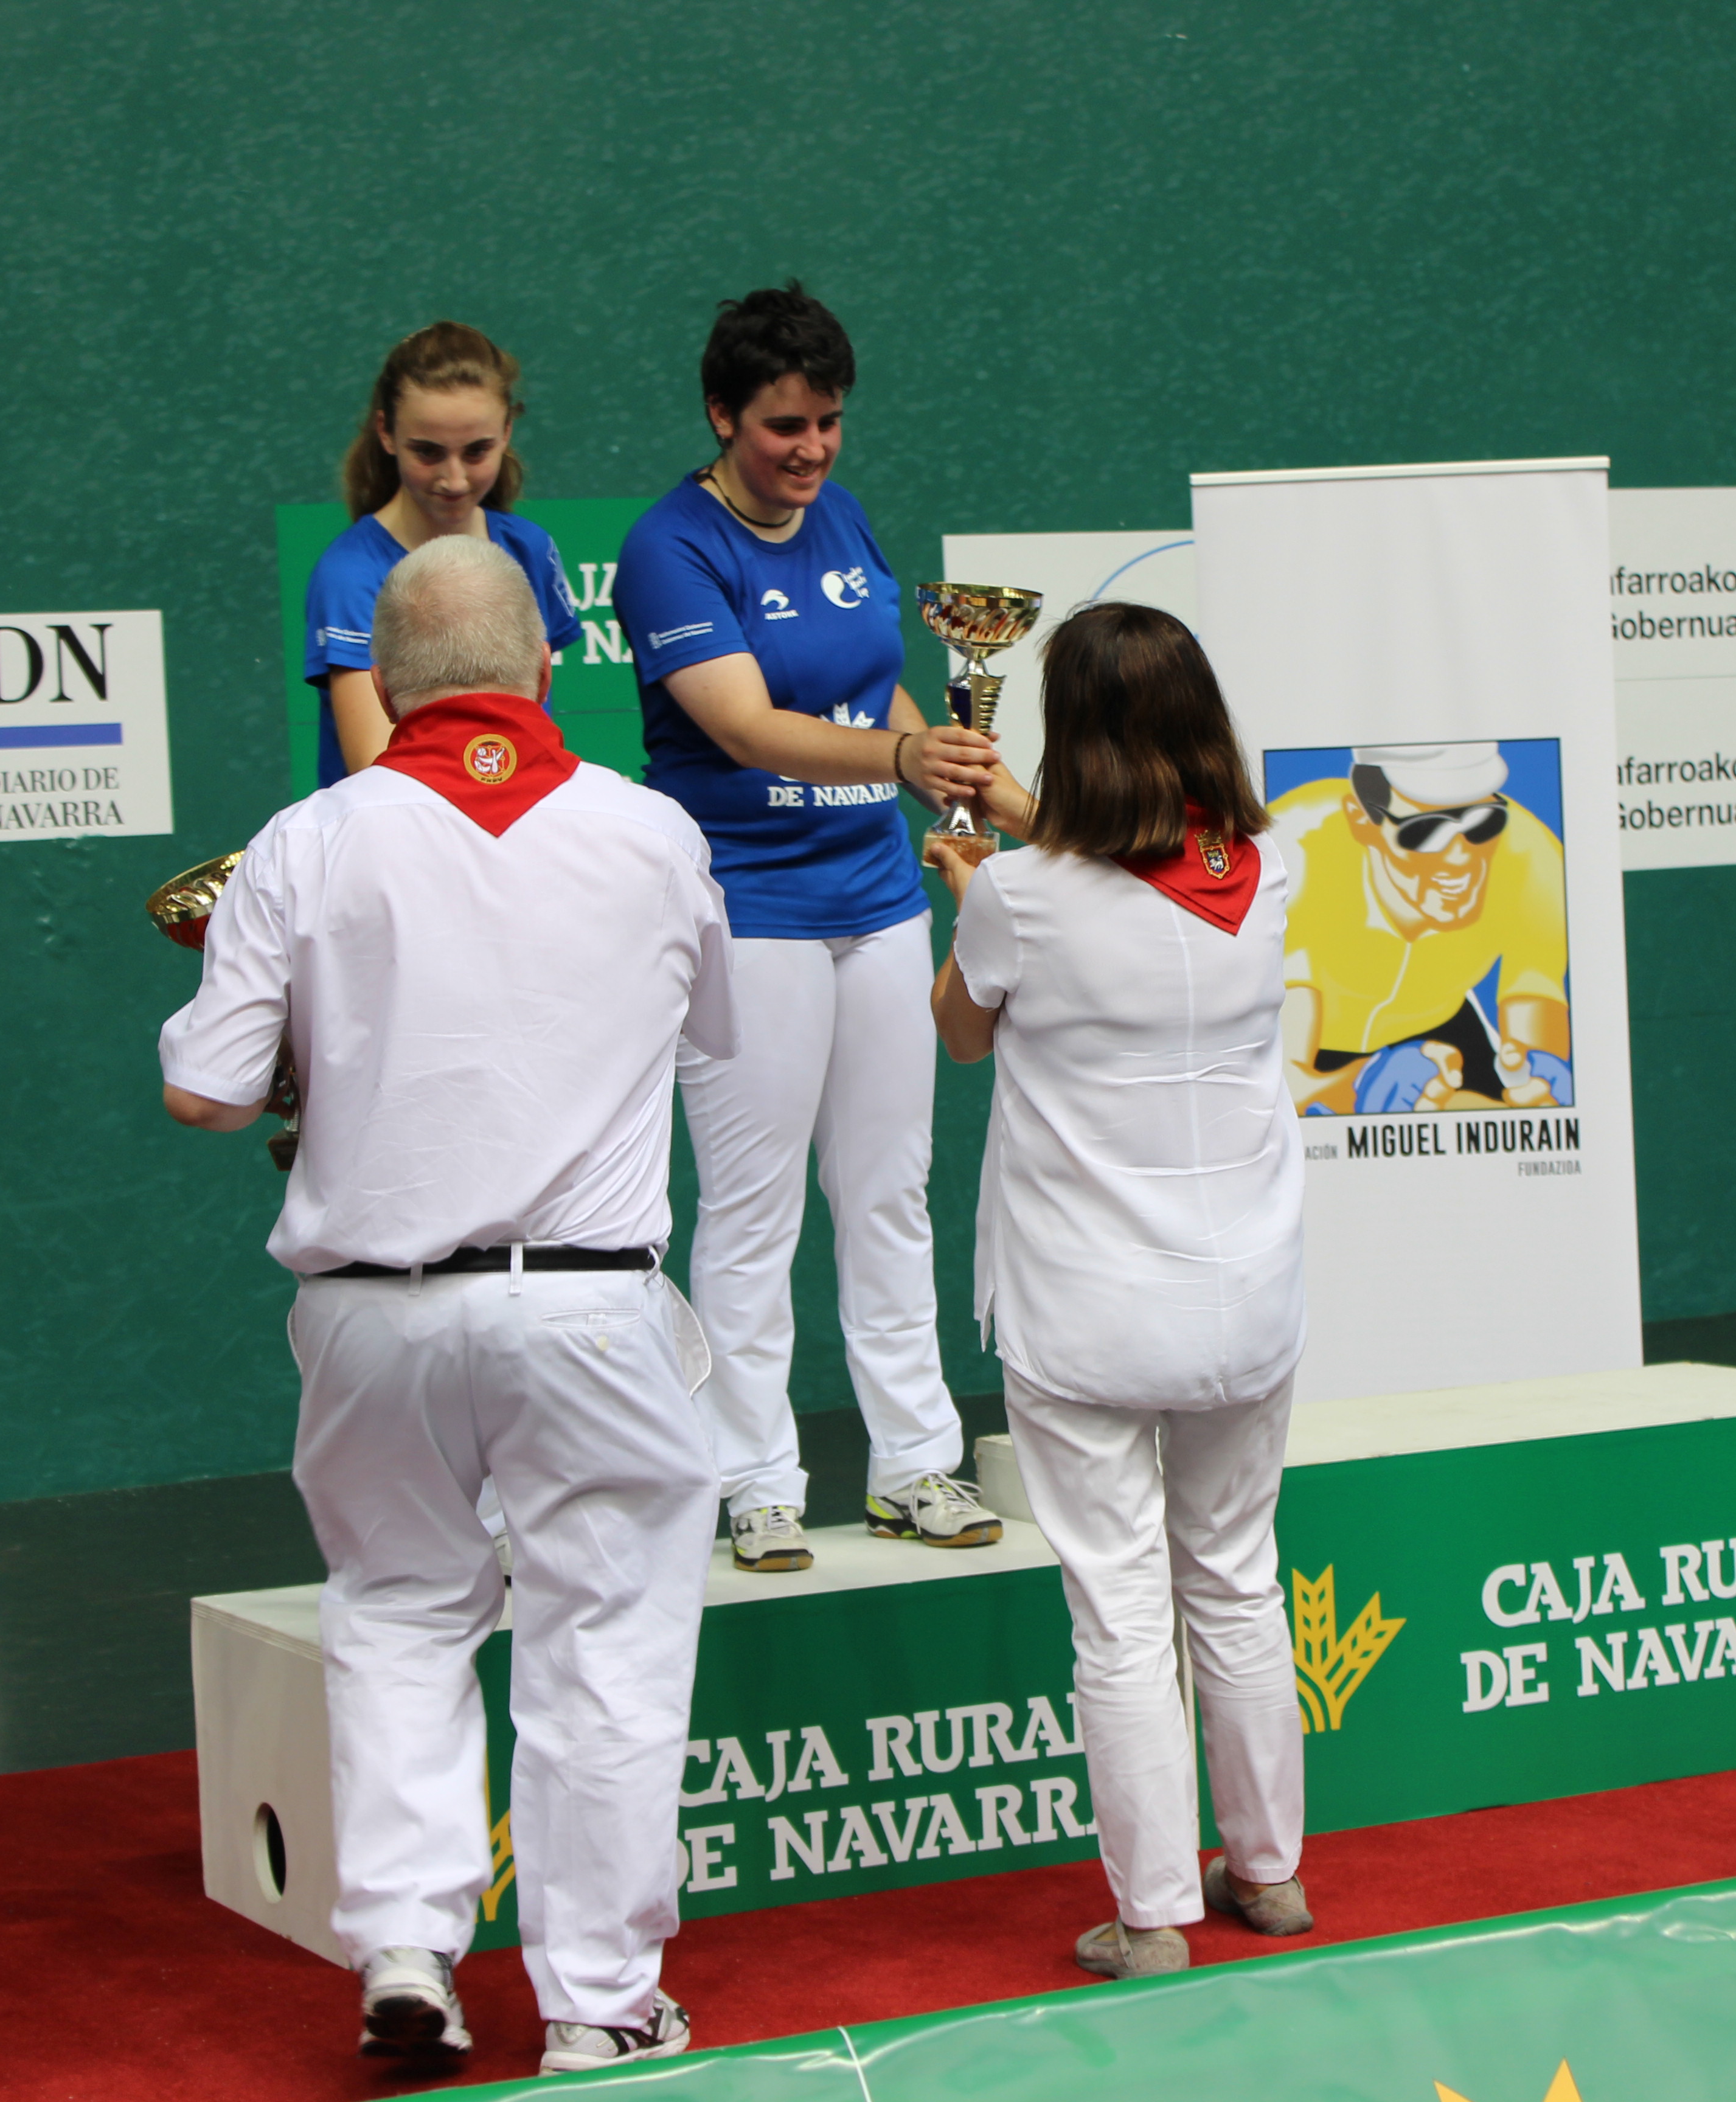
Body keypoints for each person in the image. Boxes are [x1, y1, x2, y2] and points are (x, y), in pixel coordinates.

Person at [161, 535, 731, 2076]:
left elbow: (202, 1092)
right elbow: (714, 1032)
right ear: (548, 665)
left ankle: (408, 1950)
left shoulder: (304, 839)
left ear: (382, 686)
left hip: (372, 1315)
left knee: (399, 1617)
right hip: (592, 1316)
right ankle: (600, 2003)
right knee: (602, 1648)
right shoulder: (652, 831)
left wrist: (324, 1048)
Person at [924, 601, 1312, 1980]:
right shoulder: (1272, 868)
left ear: (1070, 734)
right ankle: (1267, 1872)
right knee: (1236, 1578)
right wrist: (1010, 854)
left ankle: (1150, 1911)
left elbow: (960, 1031)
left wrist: (965, 886)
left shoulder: (1017, 896)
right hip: (1244, 1301)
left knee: (1120, 1607)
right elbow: (1142, 874)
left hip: (1084, 1310)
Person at [611, 283, 1002, 1573]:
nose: (812, 450)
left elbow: (866, 676)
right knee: (754, 1210)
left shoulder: (844, 518)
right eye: (784, 426)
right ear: (723, 416)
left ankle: (916, 1467)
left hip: (877, 898)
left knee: (889, 1193)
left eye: (829, 423)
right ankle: (755, 1482)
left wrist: (948, 770)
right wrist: (900, 751)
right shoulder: (673, 547)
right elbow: (739, 723)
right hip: (747, 909)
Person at [301, 321, 584, 787]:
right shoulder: (350, 575)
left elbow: (539, 729)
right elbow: (376, 773)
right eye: (428, 452)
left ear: (508, 431)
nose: (454, 479)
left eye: (477, 452)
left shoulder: (531, 549)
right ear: (386, 434)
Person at [1266, 742, 1571, 1114]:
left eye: (1483, 823)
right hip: (1319, 1032)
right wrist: (1358, 1084)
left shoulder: (1530, 857)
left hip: (1441, 1017)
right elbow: (1292, 1081)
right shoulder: (1294, 855)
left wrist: (1539, 1079)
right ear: (1362, 820)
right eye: (1425, 831)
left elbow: (1532, 1033)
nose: (1461, 858)